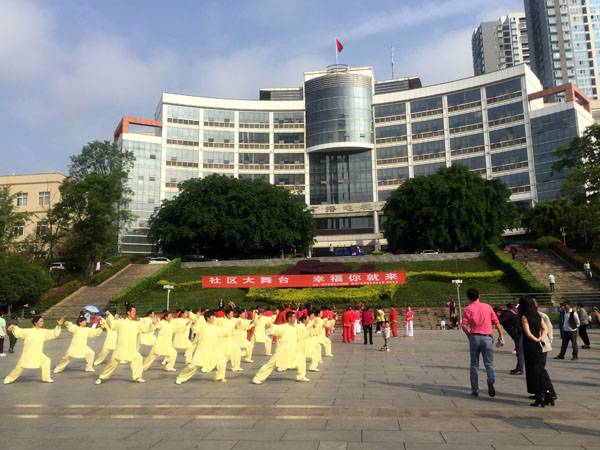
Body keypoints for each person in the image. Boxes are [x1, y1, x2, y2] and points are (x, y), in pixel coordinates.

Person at [95, 306, 158, 385]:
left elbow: (146, 329)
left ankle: (137, 377)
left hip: (131, 349)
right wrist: (108, 315)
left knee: (138, 358)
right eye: (133, 311)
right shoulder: (121, 322)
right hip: (120, 349)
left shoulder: (137, 324)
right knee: (112, 364)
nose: (135, 313)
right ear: (128, 312)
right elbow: (112, 324)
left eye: (135, 311)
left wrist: (152, 323)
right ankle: (101, 377)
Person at [460, 288, 505, 397]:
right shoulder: (487, 307)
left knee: (474, 365)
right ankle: (491, 380)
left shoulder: (467, 309)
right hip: (487, 338)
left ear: (468, 297)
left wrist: (469, 336)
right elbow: (497, 323)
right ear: (479, 295)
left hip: (475, 337)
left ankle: (475, 390)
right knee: (489, 363)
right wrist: (501, 336)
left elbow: (463, 325)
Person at [4, 315, 65, 384]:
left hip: (38, 353)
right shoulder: (28, 331)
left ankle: (46, 378)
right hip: (27, 354)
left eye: (42, 321)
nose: (42, 322)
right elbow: (19, 331)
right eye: (41, 321)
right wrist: (13, 327)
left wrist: (59, 325)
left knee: (46, 361)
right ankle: (9, 379)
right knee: (19, 367)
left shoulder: (43, 332)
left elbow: (53, 333)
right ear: (35, 323)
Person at [252, 311, 309, 384]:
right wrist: (269, 325)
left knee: (301, 358)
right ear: (289, 318)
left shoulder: (296, 327)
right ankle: (258, 377)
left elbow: (304, 331)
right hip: (282, 351)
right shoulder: (283, 327)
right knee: (271, 364)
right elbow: (274, 328)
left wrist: (311, 326)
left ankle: (301, 376)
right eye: (294, 317)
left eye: (295, 317)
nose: (295, 318)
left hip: (293, 350)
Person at [175, 310, 231, 384]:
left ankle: (219, 377)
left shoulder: (215, 328)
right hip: (202, 350)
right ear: (208, 318)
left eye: (214, 316)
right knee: (193, 366)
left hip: (213, 350)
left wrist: (234, 329)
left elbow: (223, 332)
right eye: (212, 317)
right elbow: (195, 328)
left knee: (222, 360)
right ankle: (180, 378)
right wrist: (194, 323)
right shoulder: (202, 326)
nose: (214, 318)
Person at [519, 297, 555, 407]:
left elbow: (528, 333)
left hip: (530, 345)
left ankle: (540, 396)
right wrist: (540, 338)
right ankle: (547, 394)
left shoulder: (524, 317)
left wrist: (535, 339)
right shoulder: (538, 316)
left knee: (533, 371)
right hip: (539, 345)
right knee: (539, 369)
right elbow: (545, 329)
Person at [499, 303, 524, 375]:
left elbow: (498, 321)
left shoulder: (507, 313)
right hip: (517, 334)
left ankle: (520, 369)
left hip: (519, 334)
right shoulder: (507, 313)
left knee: (519, 352)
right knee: (519, 352)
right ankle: (519, 368)